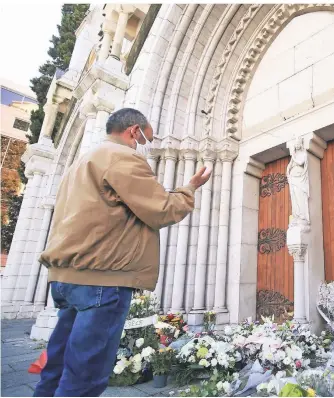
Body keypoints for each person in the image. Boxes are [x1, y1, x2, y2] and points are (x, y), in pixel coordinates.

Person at [33, 108, 212, 397]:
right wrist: (190, 187)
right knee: (85, 376)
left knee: (57, 365)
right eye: (143, 139)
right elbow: (163, 209)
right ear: (133, 130)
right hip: (101, 278)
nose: (141, 145)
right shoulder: (122, 157)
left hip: (68, 277)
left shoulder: (82, 162)